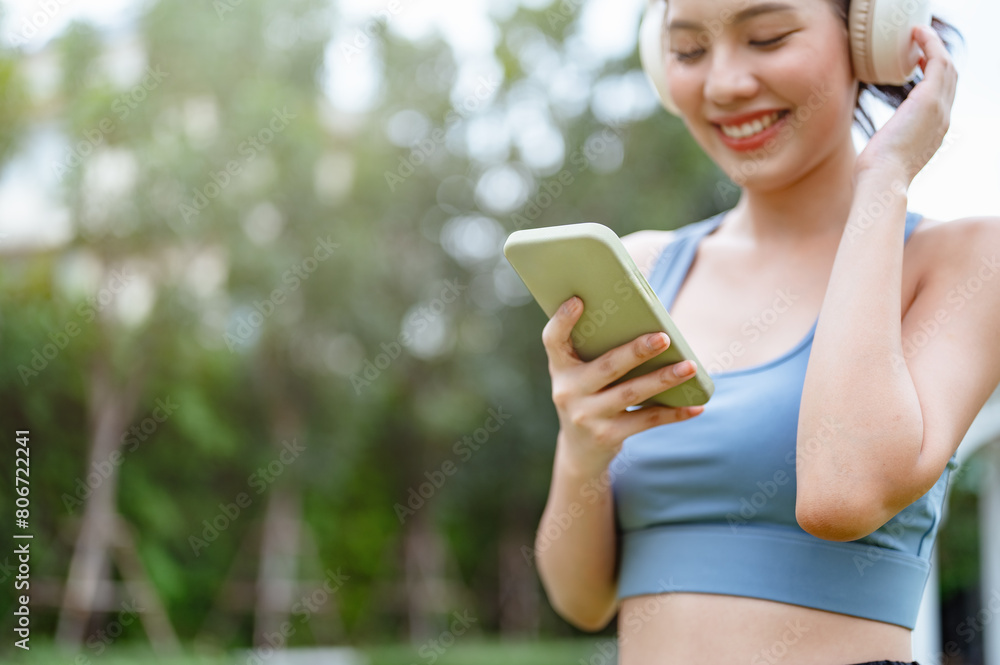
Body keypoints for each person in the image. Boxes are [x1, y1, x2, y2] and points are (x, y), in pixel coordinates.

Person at [532, 0, 1000, 663]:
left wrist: (884, 179)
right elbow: (581, 600)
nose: (724, 84)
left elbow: (843, 491)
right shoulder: (644, 269)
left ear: (870, 39)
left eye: (768, 37)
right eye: (690, 52)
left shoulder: (966, 262)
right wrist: (581, 450)